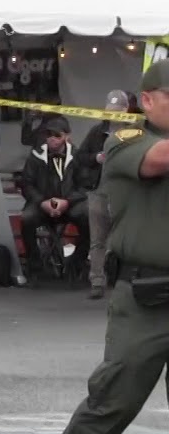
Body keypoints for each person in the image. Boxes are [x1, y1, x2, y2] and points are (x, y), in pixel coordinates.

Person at [44, 60, 169, 434]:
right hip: (144, 295)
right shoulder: (126, 141)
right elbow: (160, 161)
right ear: (149, 99)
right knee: (117, 396)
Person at [74, 90, 138, 299]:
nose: (114, 115)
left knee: (126, 239)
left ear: (126, 109)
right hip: (98, 191)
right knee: (97, 239)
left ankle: (127, 279)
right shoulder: (97, 132)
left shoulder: (136, 131)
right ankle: (97, 281)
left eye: (118, 110)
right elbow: (80, 156)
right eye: (111, 111)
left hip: (125, 192)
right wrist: (96, 157)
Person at [18, 115, 90, 278]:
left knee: (88, 218)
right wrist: (42, 202)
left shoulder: (78, 156)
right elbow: (26, 184)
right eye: (48, 134)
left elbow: (85, 186)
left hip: (71, 204)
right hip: (42, 203)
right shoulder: (36, 156)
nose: (52, 139)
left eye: (57, 135)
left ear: (67, 136)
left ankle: (77, 262)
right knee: (26, 219)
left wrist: (67, 201)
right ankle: (35, 264)